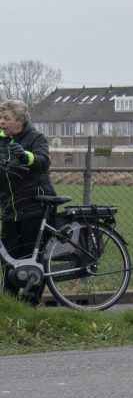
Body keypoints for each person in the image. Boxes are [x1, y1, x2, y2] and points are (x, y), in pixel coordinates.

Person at [1, 99, 56, 303]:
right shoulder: (2, 141)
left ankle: (30, 304)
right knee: (8, 259)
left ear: (20, 121)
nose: (2, 122)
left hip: (34, 206)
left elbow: (42, 161)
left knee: (30, 257)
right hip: (9, 209)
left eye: (7, 118)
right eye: (1, 118)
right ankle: (9, 304)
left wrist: (25, 157)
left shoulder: (35, 138)